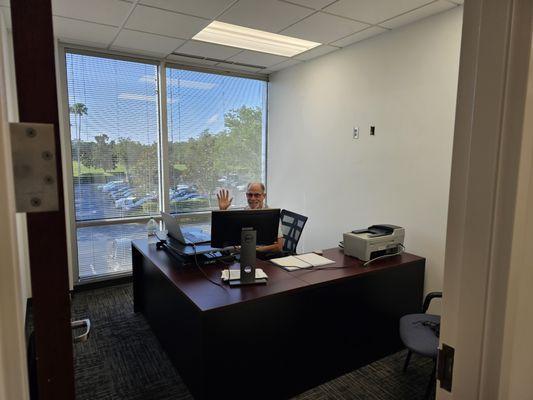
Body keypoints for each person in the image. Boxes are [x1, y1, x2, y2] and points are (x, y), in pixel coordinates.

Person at [216, 182, 283, 253]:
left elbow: (279, 246)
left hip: (265, 256)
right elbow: (231, 234)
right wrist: (223, 210)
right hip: (247, 253)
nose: (253, 198)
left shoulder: (272, 216)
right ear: (246, 195)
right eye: (250, 195)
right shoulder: (246, 211)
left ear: (264, 196)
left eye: (257, 195)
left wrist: (254, 250)